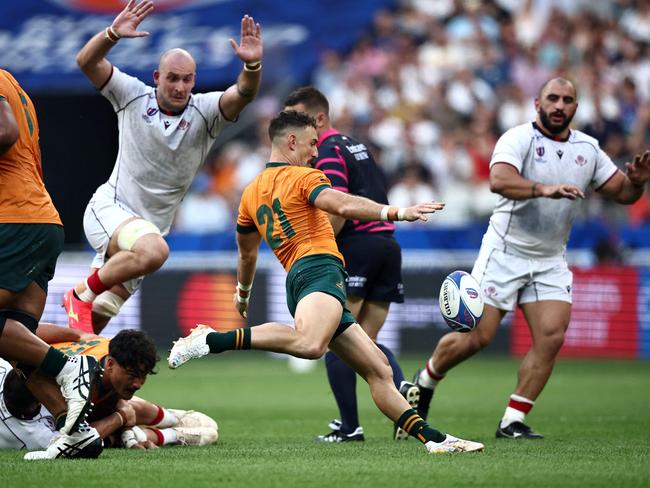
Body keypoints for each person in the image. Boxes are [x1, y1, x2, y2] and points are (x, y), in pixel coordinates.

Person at [168, 110, 484, 454]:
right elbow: (342, 204)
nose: (316, 151)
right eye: (312, 142)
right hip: (320, 269)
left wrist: (242, 292)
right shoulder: (304, 177)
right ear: (291, 141)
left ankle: (435, 441)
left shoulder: (250, 193)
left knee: (379, 369)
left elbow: (246, 254)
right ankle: (214, 339)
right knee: (311, 345)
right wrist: (397, 212)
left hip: (302, 277)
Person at [412, 77, 650, 439]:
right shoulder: (518, 138)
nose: (559, 105)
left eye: (567, 100)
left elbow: (622, 193)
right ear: (537, 103)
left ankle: (512, 421)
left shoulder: (587, 148)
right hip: (505, 251)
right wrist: (544, 189)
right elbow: (499, 180)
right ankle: (425, 380)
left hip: (550, 258)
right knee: (477, 337)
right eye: (552, 98)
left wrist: (636, 183)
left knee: (552, 335)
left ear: (575, 106)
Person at [65, 0, 263, 334]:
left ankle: (38, 371)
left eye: (187, 80)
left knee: (89, 328)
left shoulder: (205, 112)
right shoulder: (132, 95)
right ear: (157, 77)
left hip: (146, 234)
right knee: (156, 251)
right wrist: (112, 33)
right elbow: (86, 61)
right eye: (172, 78)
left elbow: (243, 92)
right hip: (111, 212)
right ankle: (78, 294)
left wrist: (253, 66)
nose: (180, 87)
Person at [283, 87, 418, 443]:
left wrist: (311, 248)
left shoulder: (325, 150)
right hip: (388, 246)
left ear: (320, 118)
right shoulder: (354, 144)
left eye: (299, 119)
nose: (292, 130)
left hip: (357, 246)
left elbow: (337, 208)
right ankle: (404, 388)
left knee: (335, 336)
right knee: (366, 340)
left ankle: (349, 427)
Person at [0, 68, 103, 459]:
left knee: (23, 345)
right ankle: (73, 428)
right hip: (39, 219)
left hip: (14, 219)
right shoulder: (14, 84)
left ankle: (66, 368)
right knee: (17, 345)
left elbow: (5, 132)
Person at [14, 329, 218, 457]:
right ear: (110, 364)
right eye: (131, 374)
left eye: (143, 375)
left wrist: (77, 335)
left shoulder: (108, 353)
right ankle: (168, 433)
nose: (138, 383)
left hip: (82, 398)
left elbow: (29, 331)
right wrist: (120, 418)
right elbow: (79, 440)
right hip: (42, 409)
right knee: (119, 416)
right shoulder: (81, 383)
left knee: (125, 405)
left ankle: (174, 419)